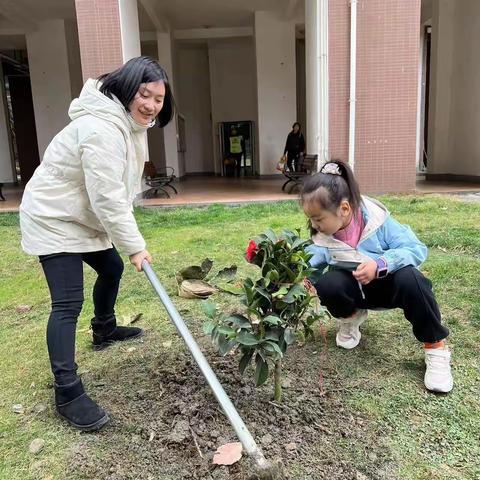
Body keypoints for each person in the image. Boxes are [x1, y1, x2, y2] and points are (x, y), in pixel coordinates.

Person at [19, 56, 175, 431]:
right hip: (53, 218)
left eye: (158, 99)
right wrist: (135, 245)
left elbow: (113, 194)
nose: (152, 105)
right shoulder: (100, 128)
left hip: (80, 217)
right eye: (145, 94)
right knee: (67, 302)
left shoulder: (124, 124)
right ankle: (68, 391)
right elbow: (108, 198)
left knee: (111, 267)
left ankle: (104, 329)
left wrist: (126, 245)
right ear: (126, 88)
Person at [301, 160, 453, 393]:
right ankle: (351, 318)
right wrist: (298, 275)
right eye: (311, 219)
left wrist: (381, 264)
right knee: (328, 284)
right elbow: (308, 264)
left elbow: (415, 248)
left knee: (412, 279)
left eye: (319, 219)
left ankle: (435, 347)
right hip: (354, 290)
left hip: (388, 286)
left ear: (344, 209)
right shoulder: (323, 238)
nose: (314, 225)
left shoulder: (377, 221)